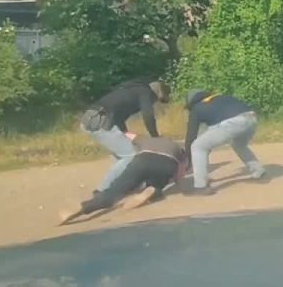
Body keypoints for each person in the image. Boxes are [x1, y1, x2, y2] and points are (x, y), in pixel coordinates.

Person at [58, 134, 187, 225]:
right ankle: (154, 190)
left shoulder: (146, 139)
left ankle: (84, 207)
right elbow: (180, 173)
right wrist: (175, 181)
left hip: (142, 160)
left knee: (113, 193)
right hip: (167, 164)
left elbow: (130, 135)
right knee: (157, 184)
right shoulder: (176, 146)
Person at [80, 80, 170, 193]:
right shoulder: (146, 92)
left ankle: (123, 185)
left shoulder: (129, 91)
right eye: (157, 99)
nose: (154, 102)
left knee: (120, 155)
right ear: (157, 93)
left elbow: (117, 116)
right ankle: (102, 190)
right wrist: (155, 137)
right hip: (101, 122)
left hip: (90, 119)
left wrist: (127, 134)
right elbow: (148, 116)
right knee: (130, 155)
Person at [183, 90, 266, 196]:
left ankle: (201, 187)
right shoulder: (221, 98)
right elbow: (208, 134)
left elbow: (191, 137)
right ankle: (259, 172)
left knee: (197, 147)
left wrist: (188, 158)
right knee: (238, 145)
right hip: (251, 119)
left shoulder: (197, 108)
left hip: (232, 123)